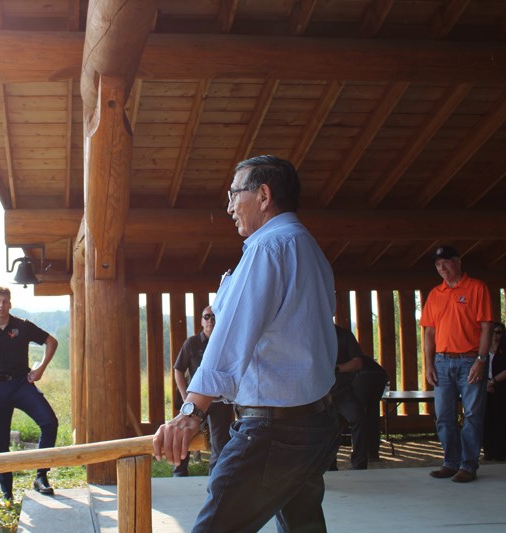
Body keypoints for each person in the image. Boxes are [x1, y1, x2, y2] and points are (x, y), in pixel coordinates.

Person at [153, 155, 339, 533]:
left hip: (274, 431)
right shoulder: (310, 250)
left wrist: (191, 411)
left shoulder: (268, 248)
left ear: (264, 195)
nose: (229, 206)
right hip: (314, 422)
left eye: (234, 194)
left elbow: (229, 338)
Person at [0, 286, 59, 501]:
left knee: (49, 422)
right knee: (0, 442)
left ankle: (41, 476)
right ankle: (7, 492)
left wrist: (40, 368)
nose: (1, 305)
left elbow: (51, 342)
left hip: (22, 384)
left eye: (5, 301)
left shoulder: (22, 326)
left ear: (10, 304)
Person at [421, 245, 493, 483]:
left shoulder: (477, 288)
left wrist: (482, 360)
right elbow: (429, 332)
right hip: (442, 361)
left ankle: (468, 465)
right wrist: (428, 364)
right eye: (438, 266)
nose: (442, 269)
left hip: (470, 360)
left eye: (446, 263)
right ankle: (450, 462)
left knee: (472, 414)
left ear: (458, 261)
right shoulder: (435, 294)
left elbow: (486, 326)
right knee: (443, 415)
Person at [172, 305, 234, 476]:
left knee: (220, 442)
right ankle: (179, 474)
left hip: (220, 400)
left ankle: (215, 478)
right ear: (201, 320)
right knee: (185, 433)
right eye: (206, 317)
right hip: (195, 402)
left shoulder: (226, 343)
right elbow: (178, 369)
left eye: (214, 317)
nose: (210, 320)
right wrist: (186, 399)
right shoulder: (191, 343)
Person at [330, 324, 388, 470]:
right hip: (321, 394)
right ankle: (329, 466)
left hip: (343, 391)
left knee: (358, 419)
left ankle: (359, 464)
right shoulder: (312, 333)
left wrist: (337, 368)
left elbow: (358, 363)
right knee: (329, 427)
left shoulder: (344, 335)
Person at [483, 322, 506, 460]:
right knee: (487, 418)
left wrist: (494, 382)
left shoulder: (504, 348)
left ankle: (501, 451)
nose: (496, 336)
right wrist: (487, 383)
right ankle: (489, 450)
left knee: (501, 418)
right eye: (493, 332)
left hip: (501, 386)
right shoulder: (483, 350)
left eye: (499, 332)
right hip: (485, 387)